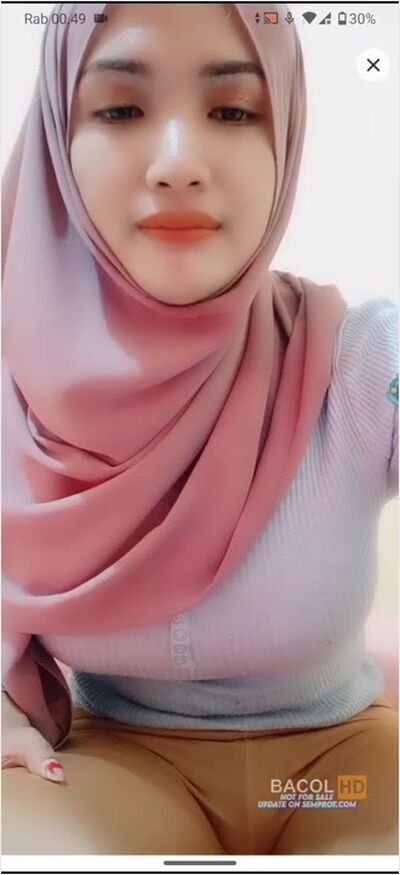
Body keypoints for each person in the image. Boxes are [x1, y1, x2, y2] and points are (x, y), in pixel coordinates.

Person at [1, 1, 398, 858]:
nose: (179, 163)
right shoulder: (12, 387)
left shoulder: (358, 358)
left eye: (232, 111)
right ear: (58, 143)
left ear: (285, 132)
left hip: (339, 767)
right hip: (118, 767)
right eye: (120, 108)